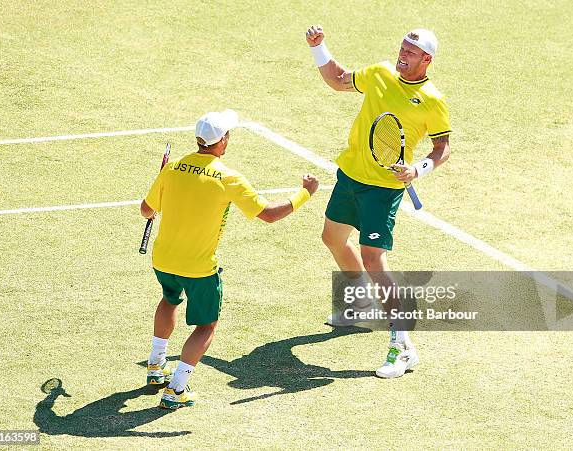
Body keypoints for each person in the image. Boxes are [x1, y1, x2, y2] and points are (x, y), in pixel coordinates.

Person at [140, 109, 319, 409]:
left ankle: (156, 368)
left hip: (163, 260)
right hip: (199, 267)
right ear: (222, 140)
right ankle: (176, 389)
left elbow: (146, 211)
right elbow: (269, 215)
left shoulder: (171, 170)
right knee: (206, 326)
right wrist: (305, 194)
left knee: (169, 300)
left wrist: (158, 200)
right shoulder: (229, 177)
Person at [305, 25, 451, 378]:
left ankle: (403, 347)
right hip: (351, 175)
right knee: (332, 238)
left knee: (373, 258)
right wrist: (318, 46)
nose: (403, 55)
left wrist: (419, 169)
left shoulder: (432, 100)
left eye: (411, 52)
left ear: (427, 60)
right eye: (402, 47)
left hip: (383, 190)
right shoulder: (381, 73)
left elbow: (442, 147)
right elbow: (339, 79)